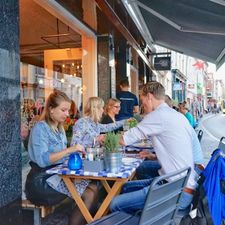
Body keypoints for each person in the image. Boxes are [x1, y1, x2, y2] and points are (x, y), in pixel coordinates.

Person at [110, 81, 198, 214]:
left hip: (175, 192)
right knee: (126, 187)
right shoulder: (176, 115)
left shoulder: (158, 115)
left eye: (142, 99)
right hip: (181, 185)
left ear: (149, 97)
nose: (142, 105)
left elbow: (123, 140)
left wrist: (103, 138)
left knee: (114, 204)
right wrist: (154, 156)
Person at [25, 90, 99, 225]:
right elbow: (42, 161)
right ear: (51, 109)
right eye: (63, 110)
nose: (67, 114)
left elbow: (63, 157)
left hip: (56, 176)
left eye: (68, 110)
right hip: (41, 182)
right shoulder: (40, 128)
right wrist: (71, 149)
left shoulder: (60, 128)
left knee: (94, 188)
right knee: (89, 194)